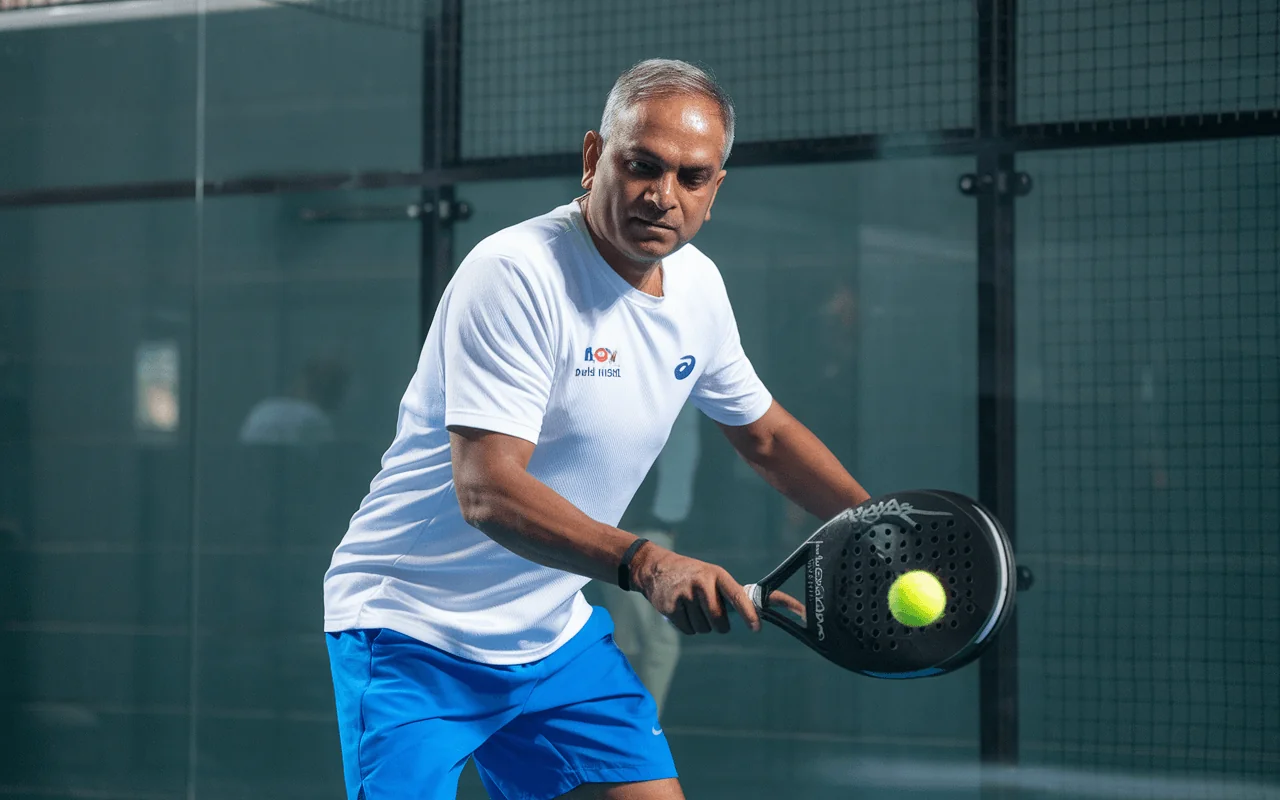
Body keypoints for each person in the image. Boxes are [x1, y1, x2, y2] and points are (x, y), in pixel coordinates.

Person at [322, 58, 870, 800]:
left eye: (692, 177)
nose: (663, 195)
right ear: (593, 158)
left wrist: (872, 525)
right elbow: (487, 491)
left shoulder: (699, 288)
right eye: (643, 165)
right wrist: (648, 565)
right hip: (412, 629)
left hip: (551, 635)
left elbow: (764, 434)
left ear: (715, 190)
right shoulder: (516, 273)